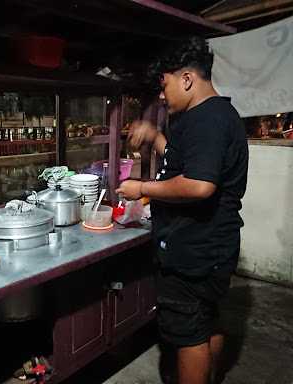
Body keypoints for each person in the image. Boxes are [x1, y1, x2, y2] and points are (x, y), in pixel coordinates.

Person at [116, 37, 248, 384]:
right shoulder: (216, 114)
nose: (162, 95)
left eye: (165, 85)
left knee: (188, 336)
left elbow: (199, 184)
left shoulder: (206, 119)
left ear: (187, 79)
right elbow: (185, 160)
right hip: (213, 247)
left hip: (194, 250)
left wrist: (141, 188)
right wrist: (156, 137)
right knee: (206, 322)